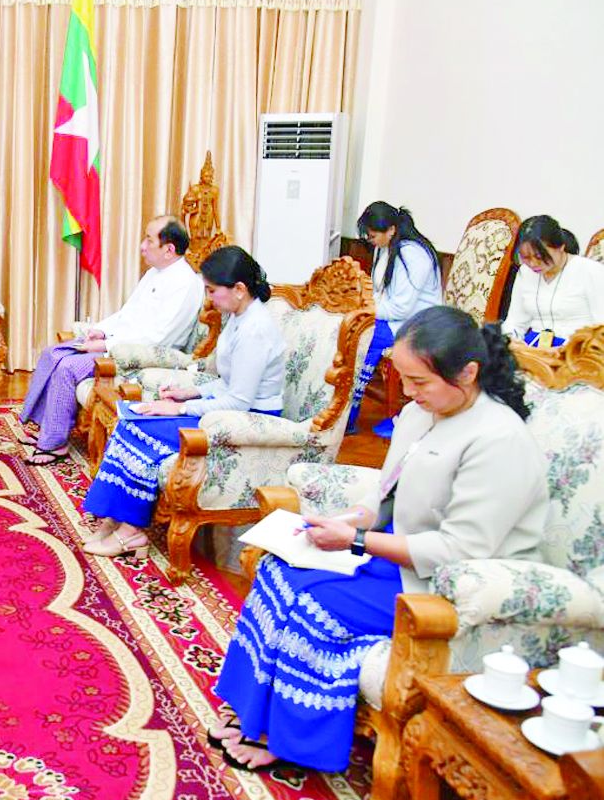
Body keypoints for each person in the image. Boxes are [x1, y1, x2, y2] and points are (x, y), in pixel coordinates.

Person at [208, 305, 548, 773]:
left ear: (468, 373)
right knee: (277, 571)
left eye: (419, 382)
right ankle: (256, 710)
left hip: (450, 584)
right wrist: (342, 522)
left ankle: (290, 739)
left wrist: (356, 540)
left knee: (313, 604)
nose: (407, 392)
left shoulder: (499, 439)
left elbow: (460, 551)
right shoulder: (420, 414)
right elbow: (385, 495)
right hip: (400, 552)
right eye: (403, 378)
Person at [82, 246, 284, 556]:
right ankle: (117, 518)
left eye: (212, 290)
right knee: (132, 420)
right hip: (227, 408)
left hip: (246, 419)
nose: (209, 299)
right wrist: (190, 392)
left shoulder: (255, 330)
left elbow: (240, 401)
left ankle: (131, 532)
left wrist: (179, 408)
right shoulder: (238, 317)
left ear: (239, 289)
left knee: (142, 428)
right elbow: (229, 382)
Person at [19, 215, 203, 465]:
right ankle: (45, 430)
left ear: (169, 249)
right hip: (117, 343)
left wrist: (106, 345)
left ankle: (54, 445)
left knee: (68, 367)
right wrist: (101, 331)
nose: (142, 246)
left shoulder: (185, 284)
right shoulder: (154, 273)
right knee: (52, 353)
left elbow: (158, 337)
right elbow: (127, 314)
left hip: (139, 356)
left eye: (149, 240)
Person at [348, 201, 442, 434]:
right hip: (392, 319)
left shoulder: (413, 255)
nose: (370, 241)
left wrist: (366, 310)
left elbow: (400, 309)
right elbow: (381, 294)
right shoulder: (386, 246)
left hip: (417, 324)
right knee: (351, 330)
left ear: (391, 229)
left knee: (365, 337)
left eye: (372, 236)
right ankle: (343, 408)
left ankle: (349, 414)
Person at [502, 214, 604, 347]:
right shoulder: (525, 272)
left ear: (561, 246)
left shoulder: (590, 271)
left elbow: (601, 328)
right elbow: (515, 322)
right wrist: (505, 343)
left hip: (575, 349)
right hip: (533, 348)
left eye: (539, 256)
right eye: (526, 257)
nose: (533, 264)